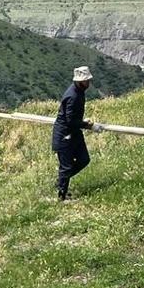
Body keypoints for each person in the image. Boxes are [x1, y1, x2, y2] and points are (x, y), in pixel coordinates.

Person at [52, 66, 103, 201]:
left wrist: (82, 123)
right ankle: (61, 196)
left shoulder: (79, 91)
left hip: (73, 133)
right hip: (64, 135)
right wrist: (87, 124)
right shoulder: (73, 96)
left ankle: (61, 181)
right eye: (86, 81)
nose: (88, 83)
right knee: (66, 166)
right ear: (80, 81)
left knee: (84, 159)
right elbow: (70, 121)